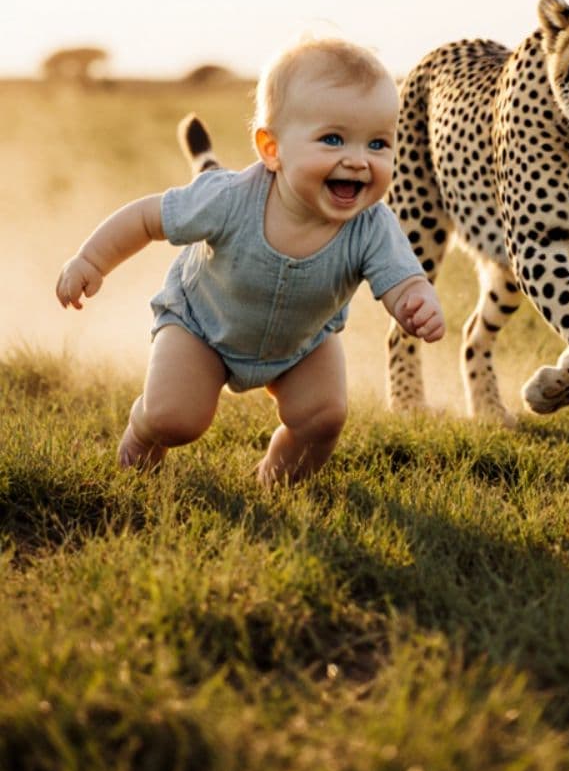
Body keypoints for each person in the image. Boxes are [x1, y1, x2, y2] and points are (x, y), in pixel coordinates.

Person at [56, 38, 445, 486]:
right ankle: (143, 435)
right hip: (201, 327)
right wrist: (91, 260)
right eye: (333, 139)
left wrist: (417, 301)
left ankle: (275, 483)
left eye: (378, 143)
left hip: (302, 344)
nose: (357, 160)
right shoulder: (229, 198)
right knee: (175, 417)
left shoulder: (372, 223)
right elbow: (148, 217)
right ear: (272, 149)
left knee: (324, 417)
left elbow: (402, 279)